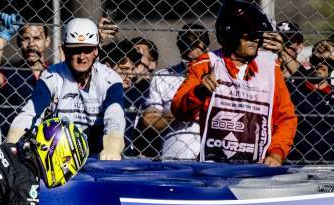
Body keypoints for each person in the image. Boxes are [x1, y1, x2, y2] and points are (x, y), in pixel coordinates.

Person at [171, 0, 297, 165]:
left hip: (258, 169)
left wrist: (276, 153)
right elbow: (179, 110)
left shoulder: (270, 68)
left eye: (258, 35)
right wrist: (199, 91)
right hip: (213, 167)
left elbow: (286, 117)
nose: (255, 40)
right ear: (230, 35)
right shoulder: (206, 63)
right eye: (249, 36)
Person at [8, 18, 125, 160]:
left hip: (98, 157)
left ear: (96, 51)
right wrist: (12, 144)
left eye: (87, 49)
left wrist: (112, 147)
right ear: (64, 50)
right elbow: (30, 112)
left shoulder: (111, 79)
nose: (82, 57)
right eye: (75, 50)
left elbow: (115, 115)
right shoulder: (52, 76)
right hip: (56, 157)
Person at [141, 24, 210, 160]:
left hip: (208, 155)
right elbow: (149, 121)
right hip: (172, 155)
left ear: (206, 48)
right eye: (187, 57)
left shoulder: (217, 74)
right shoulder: (163, 76)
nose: (192, 62)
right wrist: (181, 110)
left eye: (196, 59)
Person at [0, 13, 51, 139]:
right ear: (18, 41)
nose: (31, 43)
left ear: (47, 41)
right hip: (14, 146)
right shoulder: (11, 72)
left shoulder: (54, 73)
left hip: (47, 145)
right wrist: (3, 37)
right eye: (26, 38)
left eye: (37, 38)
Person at [101, 39, 156, 156]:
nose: (130, 75)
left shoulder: (135, 94)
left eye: (132, 69)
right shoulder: (96, 93)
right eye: (124, 70)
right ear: (107, 67)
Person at [287, 40, 334, 162]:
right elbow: (288, 66)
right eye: (316, 61)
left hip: (328, 163)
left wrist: (331, 54)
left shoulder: (332, 95)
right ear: (311, 62)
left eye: (327, 62)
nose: (321, 65)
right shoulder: (297, 86)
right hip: (296, 161)